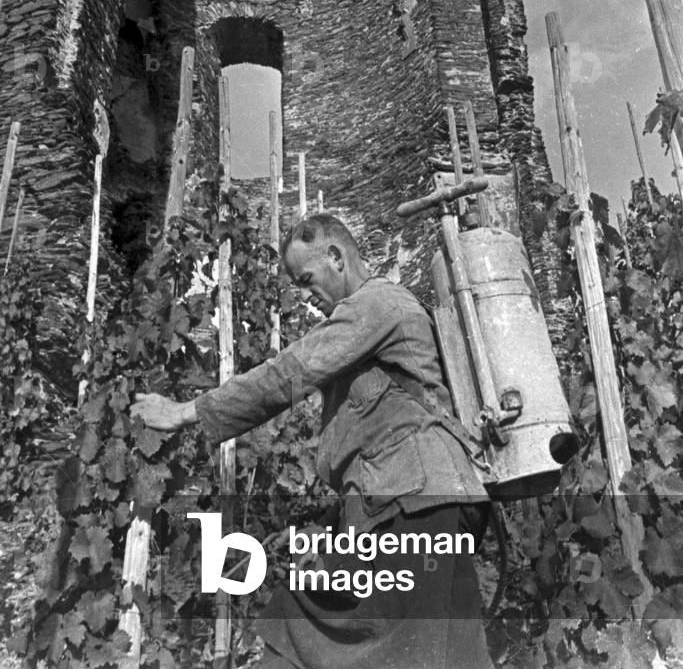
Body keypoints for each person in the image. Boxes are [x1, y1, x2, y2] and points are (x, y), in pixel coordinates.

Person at [131, 213, 494, 669]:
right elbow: (370, 437)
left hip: (415, 503)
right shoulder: (378, 318)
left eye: (306, 280)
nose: (304, 298)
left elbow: (289, 373)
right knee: (439, 651)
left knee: (339, 630)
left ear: (337, 257)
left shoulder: (376, 305)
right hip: (417, 501)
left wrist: (185, 412)